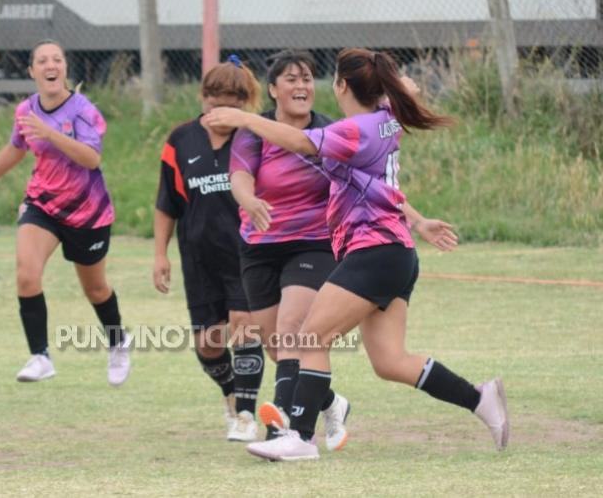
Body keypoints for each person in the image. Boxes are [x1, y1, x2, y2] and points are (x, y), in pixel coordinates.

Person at [203, 48, 508, 461]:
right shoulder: (385, 119)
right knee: (390, 361)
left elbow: (296, 140)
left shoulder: (353, 130)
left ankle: (300, 436)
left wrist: (241, 117)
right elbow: (378, 175)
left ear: (342, 86)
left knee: (309, 335)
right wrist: (419, 222)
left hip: (373, 251)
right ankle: (479, 398)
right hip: (397, 252)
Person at [0, 39, 131, 386]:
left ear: (65, 68)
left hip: (87, 213)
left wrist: (50, 133)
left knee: (95, 290)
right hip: (42, 204)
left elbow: (91, 158)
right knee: (26, 276)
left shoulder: (83, 110)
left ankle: (117, 342)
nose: (51, 66)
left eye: (58, 60)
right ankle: (41, 356)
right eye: (43, 61)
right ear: (32, 70)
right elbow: (15, 149)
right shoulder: (25, 111)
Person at [226, 49, 351, 448]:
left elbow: (367, 180)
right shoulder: (253, 132)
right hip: (260, 246)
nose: (301, 86)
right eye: (292, 79)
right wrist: (248, 200)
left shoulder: (328, 133)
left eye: (307, 78)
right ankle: (331, 402)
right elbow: (240, 176)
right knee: (280, 348)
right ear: (273, 89)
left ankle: (284, 428)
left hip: (313, 244)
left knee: (292, 329)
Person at [153, 56, 265, 441]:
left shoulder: (256, 137)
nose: (221, 106)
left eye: (233, 99)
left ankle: (248, 415)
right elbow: (167, 202)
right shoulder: (180, 140)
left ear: (246, 101)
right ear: (203, 97)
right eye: (215, 97)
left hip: (247, 252)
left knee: (243, 327)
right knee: (208, 344)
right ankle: (232, 395)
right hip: (198, 257)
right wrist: (159, 255)